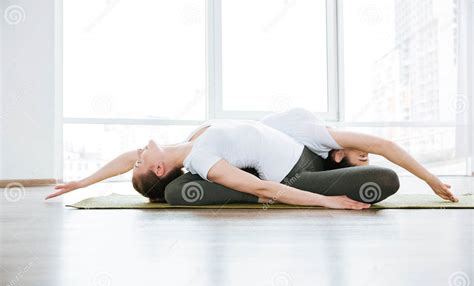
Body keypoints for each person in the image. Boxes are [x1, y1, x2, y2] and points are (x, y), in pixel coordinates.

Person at [45, 108, 458, 209]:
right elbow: (261, 186)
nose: (135, 153)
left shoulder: (192, 142)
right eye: (141, 161)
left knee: (380, 171)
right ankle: (340, 174)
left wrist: (83, 183)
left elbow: (126, 160)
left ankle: (340, 165)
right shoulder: (203, 158)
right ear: (157, 168)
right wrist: (329, 202)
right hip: (294, 176)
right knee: (385, 179)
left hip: (301, 153)